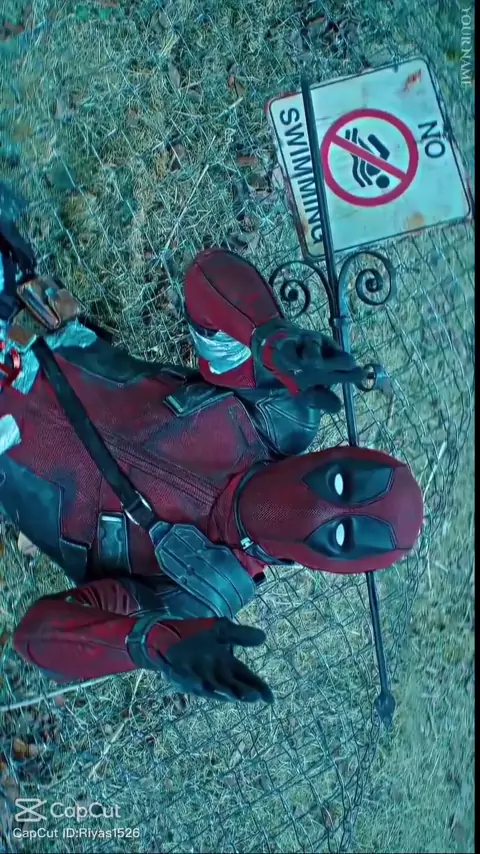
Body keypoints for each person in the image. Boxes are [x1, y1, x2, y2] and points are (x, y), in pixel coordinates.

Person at [0, 218, 423, 703]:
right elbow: (205, 277)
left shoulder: (197, 593)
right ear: (338, 454)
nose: (326, 511)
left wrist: (148, 641)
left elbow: (36, 636)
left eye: (343, 534)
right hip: (19, 313)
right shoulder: (275, 415)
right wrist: (268, 336)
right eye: (343, 484)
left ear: (333, 565)